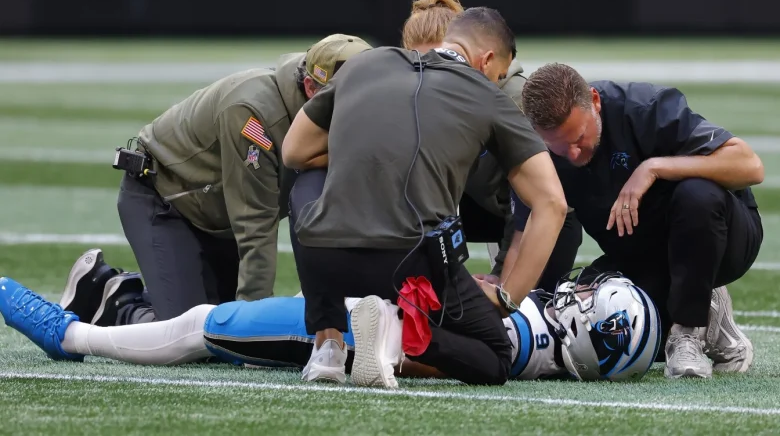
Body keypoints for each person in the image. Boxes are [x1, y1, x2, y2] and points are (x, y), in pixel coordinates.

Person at [282, 7, 569, 388]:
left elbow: (293, 152)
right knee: (496, 358)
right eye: (500, 75)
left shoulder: (366, 63)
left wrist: (368, 149)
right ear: (485, 61)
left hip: (327, 260)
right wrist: (508, 297)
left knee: (306, 183)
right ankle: (396, 333)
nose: (498, 82)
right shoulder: (486, 94)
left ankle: (328, 345)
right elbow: (553, 202)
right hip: (410, 268)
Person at [59, 35, 372, 328]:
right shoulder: (254, 115)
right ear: (310, 87)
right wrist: (254, 325)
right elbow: (255, 222)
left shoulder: (325, 109)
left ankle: (157, 293)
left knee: (218, 319)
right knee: (192, 334)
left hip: (218, 216)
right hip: (166, 201)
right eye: (343, 98)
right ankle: (111, 297)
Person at [514, 62, 764, 379]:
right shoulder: (536, 152)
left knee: (697, 194)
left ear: (595, 101)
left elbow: (750, 166)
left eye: (578, 138)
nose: (573, 154)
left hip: (723, 237)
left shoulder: (644, 109)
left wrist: (654, 168)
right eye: (559, 147)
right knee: (594, 324)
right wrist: (514, 301)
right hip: (640, 254)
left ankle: (688, 330)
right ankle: (710, 314)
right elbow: (535, 229)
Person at [0, 270, 660, 383]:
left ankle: (74, 335)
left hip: (350, 326)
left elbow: (422, 342)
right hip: (373, 315)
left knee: (206, 325)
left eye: (590, 299)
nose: (579, 293)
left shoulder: (515, 346)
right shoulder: (537, 345)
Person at [398, 0, 583, 288]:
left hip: (526, 211)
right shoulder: (411, 92)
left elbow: (536, 202)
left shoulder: (511, 100)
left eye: (440, 59)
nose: (431, 73)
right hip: (475, 202)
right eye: (420, 64)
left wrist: (501, 277)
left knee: (530, 314)